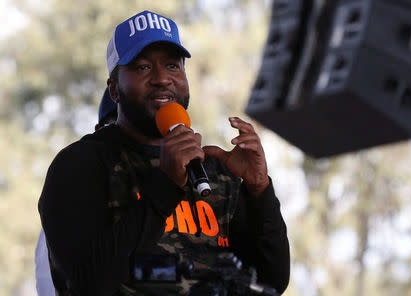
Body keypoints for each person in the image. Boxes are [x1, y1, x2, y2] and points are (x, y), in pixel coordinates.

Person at [38, 10, 289, 296]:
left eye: (172, 66)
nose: (162, 79)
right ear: (115, 90)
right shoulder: (80, 164)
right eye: (143, 67)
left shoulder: (213, 170)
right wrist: (166, 186)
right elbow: (85, 284)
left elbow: (271, 280)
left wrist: (259, 191)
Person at [35, 88, 117, 296]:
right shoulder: (75, 188)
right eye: (117, 124)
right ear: (100, 130)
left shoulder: (189, 178)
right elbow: (49, 286)